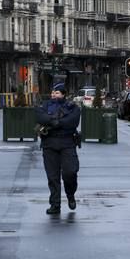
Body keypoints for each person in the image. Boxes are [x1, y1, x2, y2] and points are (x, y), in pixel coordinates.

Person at [35, 82, 82, 215]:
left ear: (63, 94)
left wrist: (58, 123)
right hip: (49, 144)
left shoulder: (72, 107)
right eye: (52, 92)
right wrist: (52, 122)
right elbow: (39, 116)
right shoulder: (45, 105)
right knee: (52, 177)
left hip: (67, 143)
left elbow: (73, 121)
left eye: (56, 93)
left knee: (70, 172)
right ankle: (55, 204)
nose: (53, 95)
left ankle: (70, 194)